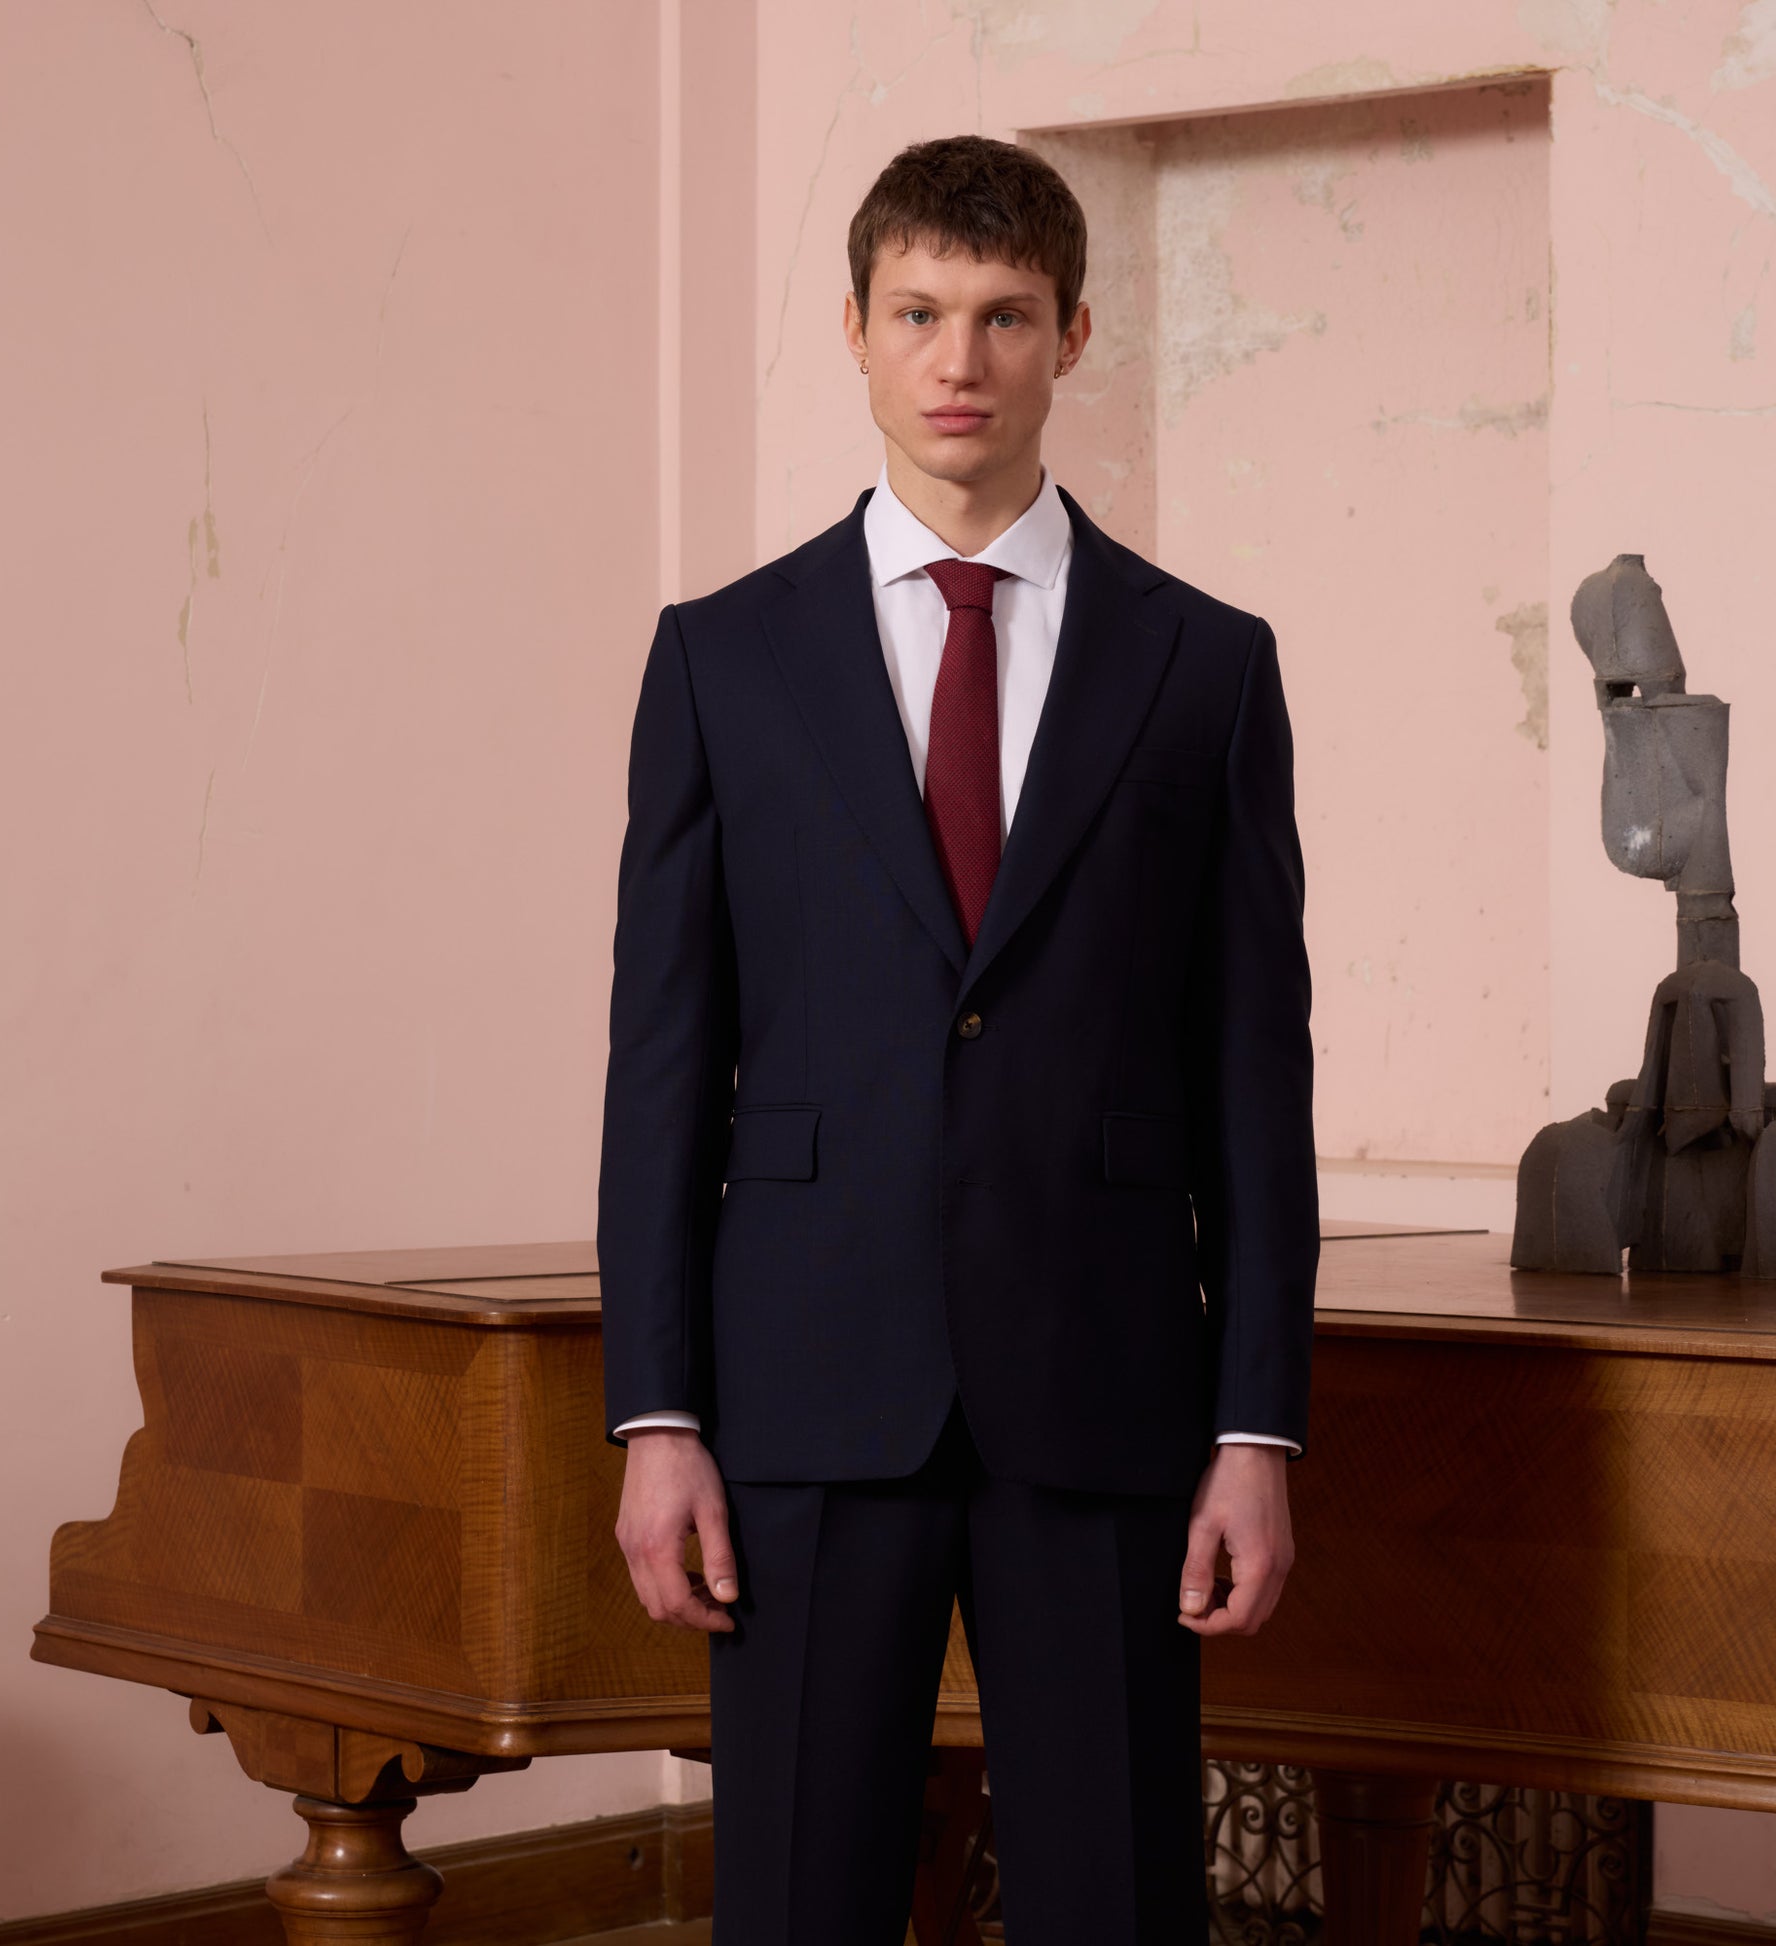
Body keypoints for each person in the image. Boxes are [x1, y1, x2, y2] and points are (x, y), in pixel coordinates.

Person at [597, 132, 1318, 1946]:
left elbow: (1255, 1079)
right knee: (796, 1903)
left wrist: (1257, 1427)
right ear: (852, 329)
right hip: (801, 1388)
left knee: (1114, 1904)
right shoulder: (720, 660)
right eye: (917, 312)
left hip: (1106, 1388)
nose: (958, 360)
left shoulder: (1205, 665)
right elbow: (663, 1063)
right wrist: (656, 1413)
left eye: (1003, 315)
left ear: (1071, 333)